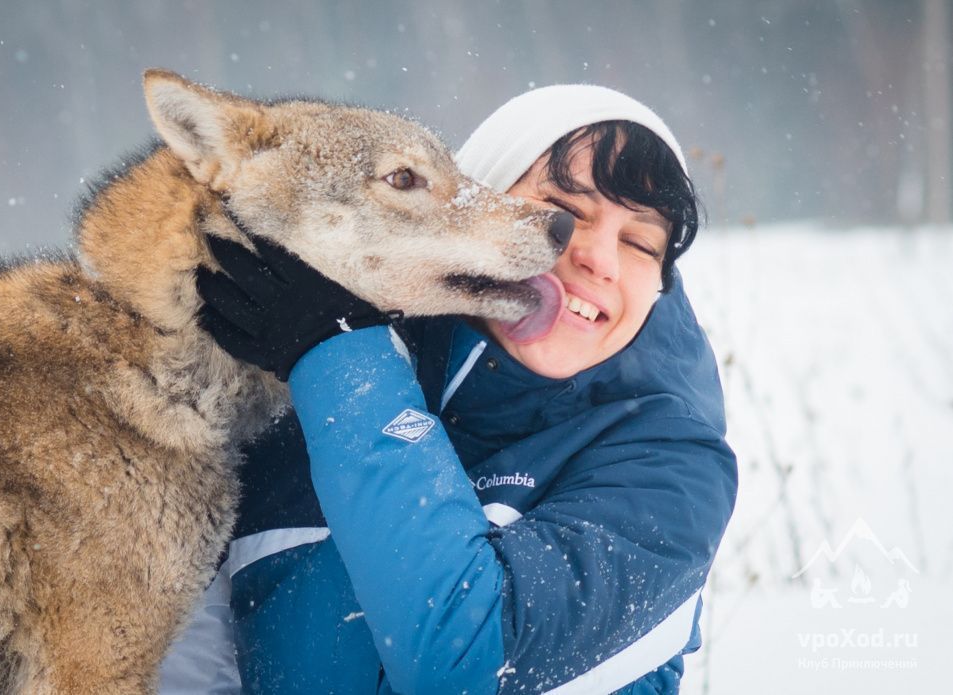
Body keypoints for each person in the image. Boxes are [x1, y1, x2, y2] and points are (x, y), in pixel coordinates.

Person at [160, 85, 738, 694]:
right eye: (565, 211)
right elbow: (188, 663)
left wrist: (340, 358)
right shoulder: (288, 405)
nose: (599, 260)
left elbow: (468, 666)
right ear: (471, 205)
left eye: (641, 243)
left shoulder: (673, 469)